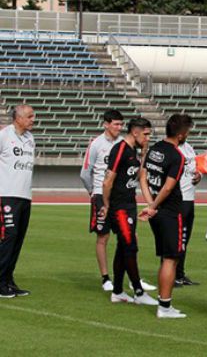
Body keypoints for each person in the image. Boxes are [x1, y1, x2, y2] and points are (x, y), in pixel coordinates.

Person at [101, 117, 157, 306]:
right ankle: (138, 291)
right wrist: (107, 205)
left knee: (123, 248)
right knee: (130, 246)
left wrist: (151, 204)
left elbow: (141, 176)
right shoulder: (120, 149)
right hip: (119, 208)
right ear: (135, 132)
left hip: (130, 205)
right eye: (146, 134)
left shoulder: (135, 151)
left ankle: (117, 291)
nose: (148, 138)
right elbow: (108, 180)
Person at [140, 113, 191, 319]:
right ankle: (165, 306)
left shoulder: (154, 149)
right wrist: (154, 204)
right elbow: (169, 188)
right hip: (170, 211)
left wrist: (150, 204)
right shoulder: (176, 156)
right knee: (171, 258)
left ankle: (165, 303)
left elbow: (142, 176)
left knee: (165, 258)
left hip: (157, 211)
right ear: (181, 135)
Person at [80, 109, 124, 292]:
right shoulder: (96, 144)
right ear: (106, 124)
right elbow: (85, 173)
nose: (119, 128)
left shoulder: (123, 144)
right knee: (103, 236)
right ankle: (106, 278)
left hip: (120, 196)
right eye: (116, 124)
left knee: (128, 236)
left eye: (121, 124)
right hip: (100, 194)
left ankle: (128, 275)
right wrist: (93, 193)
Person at [0, 105, 36, 299]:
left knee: (18, 239)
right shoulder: (4, 135)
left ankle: (8, 279)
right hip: (6, 195)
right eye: (29, 116)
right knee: (9, 236)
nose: (33, 120)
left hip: (25, 196)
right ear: (18, 118)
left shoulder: (30, 139)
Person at [175, 139, 202, 287]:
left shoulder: (189, 148)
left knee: (184, 240)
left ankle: (180, 274)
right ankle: (172, 275)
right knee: (176, 240)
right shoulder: (170, 149)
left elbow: (194, 168)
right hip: (177, 200)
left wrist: (199, 175)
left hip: (189, 198)